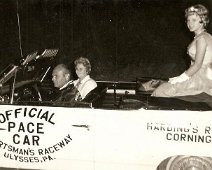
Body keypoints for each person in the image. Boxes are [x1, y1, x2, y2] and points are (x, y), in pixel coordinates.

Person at [152, 4, 212, 97]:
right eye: (188, 20)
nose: (190, 23)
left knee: (159, 91)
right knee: (162, 85)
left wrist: (179, 79)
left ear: (202, 20)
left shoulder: (202, 38)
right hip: (201, 76)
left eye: (194, 20)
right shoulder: (204, 36)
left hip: (201, 80)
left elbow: (197, 65)